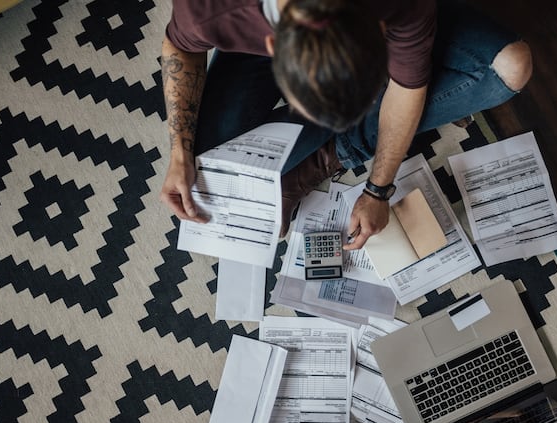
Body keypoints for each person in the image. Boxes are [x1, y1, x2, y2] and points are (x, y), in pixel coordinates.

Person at [159, 0, 532, 250]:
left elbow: (407, 88)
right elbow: (181, 47)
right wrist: (180, 152)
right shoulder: (210, 8)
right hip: (251, 37)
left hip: (404, 17)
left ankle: (330, 152)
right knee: (209, 164)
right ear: (273, 47)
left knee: (510, 67)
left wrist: (378, 189)